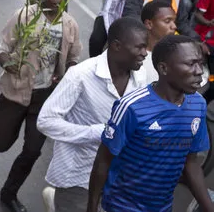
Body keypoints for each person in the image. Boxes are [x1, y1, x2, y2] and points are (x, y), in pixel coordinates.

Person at [86, 35, 214, 212]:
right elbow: (103, 160)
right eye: (191, 64)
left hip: (162, 207)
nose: (199, 71)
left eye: (201, 63)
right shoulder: (132, 107)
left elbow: (190, 162)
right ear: (164, 68)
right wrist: (91, 208)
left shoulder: (198, 105)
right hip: (120, 206)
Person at [0, 0, 81, 212]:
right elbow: (2, 47)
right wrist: (8, 64)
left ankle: (8, 193)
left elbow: (73, 58)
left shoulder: (69, 25)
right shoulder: (25, 15)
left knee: (32, 151)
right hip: (15, 92)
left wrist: (67, 74)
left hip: (45, 99)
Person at [37, 17, 148, 212]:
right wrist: (95, 132)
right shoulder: (80, 75)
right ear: (116, 46)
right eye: (139, 48)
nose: (144, 53)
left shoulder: (141, 77)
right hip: (78, 176)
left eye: (145, 47)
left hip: (118, 177)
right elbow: (46, 121)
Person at [141, 1, 178, 82]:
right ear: (149, 24)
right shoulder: (135, 57)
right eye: (167, 21)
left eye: (174, 21)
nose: (174, 26)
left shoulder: (177, 54)